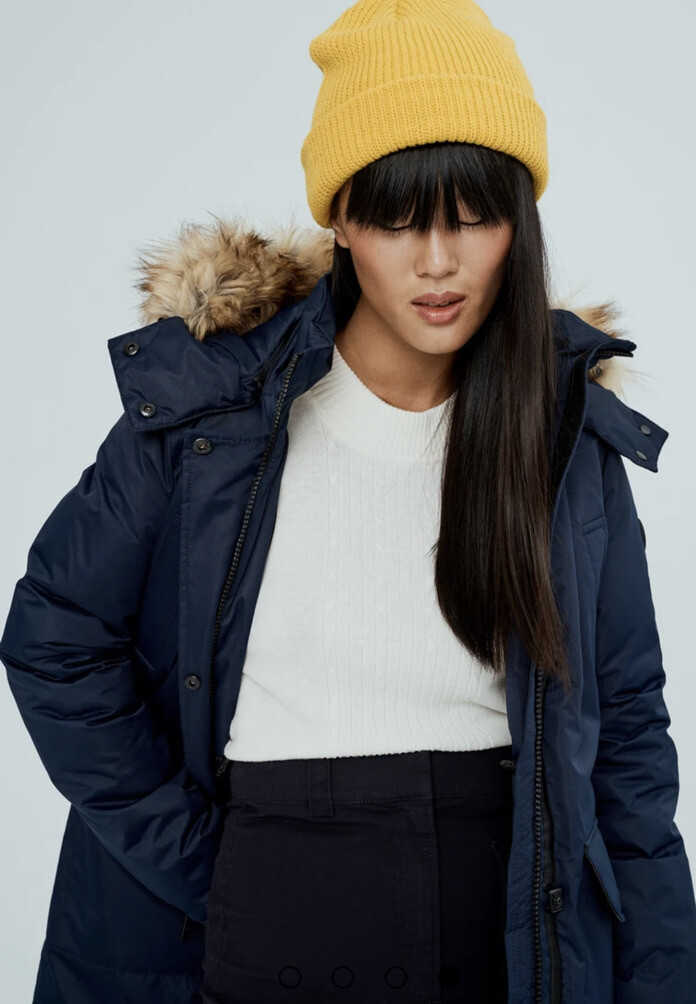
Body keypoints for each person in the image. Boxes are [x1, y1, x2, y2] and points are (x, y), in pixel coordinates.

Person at [2, 1, 695, 1002]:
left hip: (505, 940)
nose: (438, 261)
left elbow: (627, 732)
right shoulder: (211, 416)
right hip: (264, 922)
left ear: (520, 221)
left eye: (475, 216)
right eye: (397, 220)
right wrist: (204, 866)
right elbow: (55, 636)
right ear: (339, 220)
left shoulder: (562, 436)